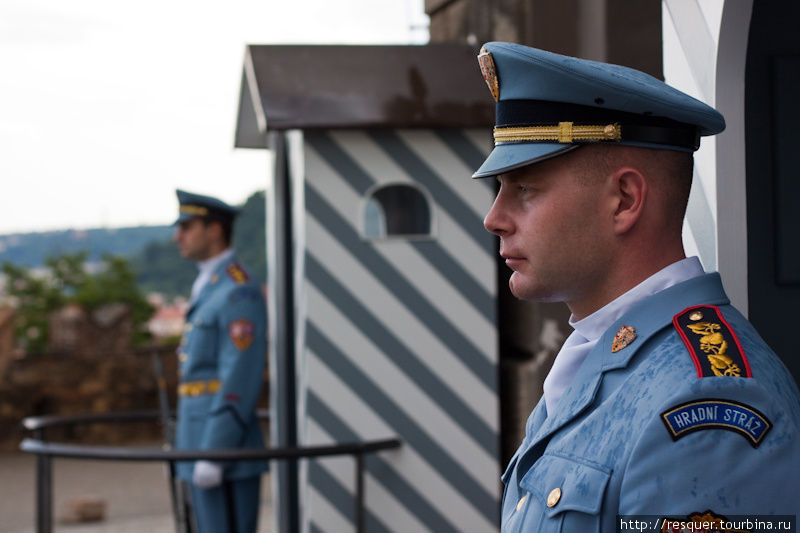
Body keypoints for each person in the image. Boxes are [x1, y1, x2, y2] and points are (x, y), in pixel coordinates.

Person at [474, 42, 800, 532]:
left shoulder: (707, 405)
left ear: (624, 200)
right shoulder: (605, 360)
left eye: (524, 188)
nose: (494, 218)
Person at [172, 189, 268, 533]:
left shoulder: (237, 289)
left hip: (224, 447)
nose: (177, 236)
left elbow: (240, 374)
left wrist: (216, 451)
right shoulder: (209, 285)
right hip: (196, 440)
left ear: (214, 230)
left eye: (187, 226)